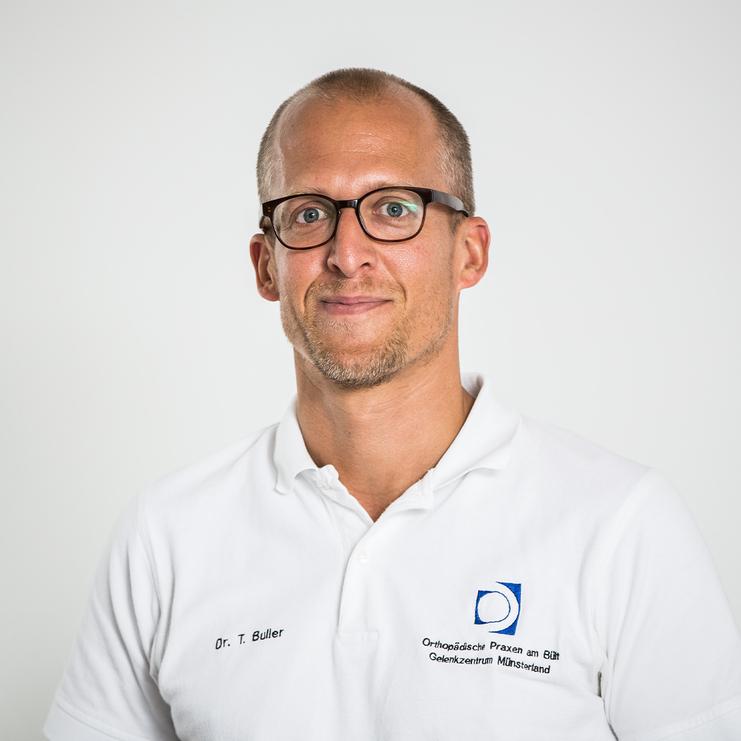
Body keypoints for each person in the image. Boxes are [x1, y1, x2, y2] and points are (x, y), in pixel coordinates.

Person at [44, 68, 741, 741]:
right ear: (265, 265)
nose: (347, 254)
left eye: (394, 209)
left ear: (469, 252)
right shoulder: (167, 536)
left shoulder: (619, 525)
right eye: (309, 213)